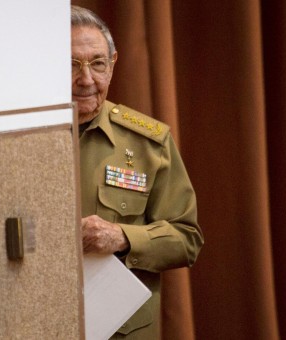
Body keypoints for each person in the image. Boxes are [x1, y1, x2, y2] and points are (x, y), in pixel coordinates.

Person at [72, 5, 204, 339]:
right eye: (71, 65)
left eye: (97, 64)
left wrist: (123, 237)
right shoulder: (22, 143)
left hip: (122, 330)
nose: (86, 80)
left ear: (113, 65)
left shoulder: (148, 142)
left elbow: (187, 239)